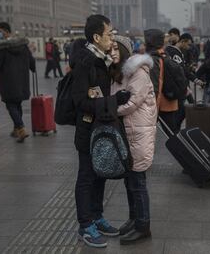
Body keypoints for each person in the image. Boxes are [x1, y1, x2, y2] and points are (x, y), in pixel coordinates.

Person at [71, 15, 131, 248]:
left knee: (99, 174)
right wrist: (114, 101)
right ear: (96, 37)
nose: (112, 38)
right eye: (109, 34)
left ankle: (97, 217)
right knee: (86, 176)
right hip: (88, 129)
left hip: (100, 127)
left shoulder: (101, 60)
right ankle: (85, 225)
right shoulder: (86, 62)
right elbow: (80, 101)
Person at [110, 35, 156, 244]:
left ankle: (143, 225)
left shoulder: (139, 73)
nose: (112, 53)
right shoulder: (118, 73)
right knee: (130, 180)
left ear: (125, 51)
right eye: (109, 50)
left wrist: (108, 111)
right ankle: (134, 219)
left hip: (139, 131)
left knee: (137, 181)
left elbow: (132, 103)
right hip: (127, 130)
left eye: (116, 50)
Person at [0, 22, 36, 143]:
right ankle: (17, 129)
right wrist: (32, 68)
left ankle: (21, 129)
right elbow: (32, 61)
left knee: (11, 105)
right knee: (17, 104)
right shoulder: (23, 45)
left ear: (5, 31)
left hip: (8, 82)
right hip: (22, 81)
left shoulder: (1, 48)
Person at [145, 28, 179, 134]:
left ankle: (181, 151)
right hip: (170, 101)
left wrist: (153, 107)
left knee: (171, 136)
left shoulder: (154, 59)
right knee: (173, 134)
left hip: (162, 103)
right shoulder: (164, 54)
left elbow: (156, 84)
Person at [165, 33, 202, 129]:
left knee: (183, 110)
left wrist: (195, 80)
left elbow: (183, 69)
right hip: (177, 88)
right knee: (181, 112)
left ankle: (175, 131)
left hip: (177, 88)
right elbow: (180, 71)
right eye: (188, 44)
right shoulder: (174, 52)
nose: (189, 47)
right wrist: (192, 81)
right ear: (182, 41)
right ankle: (175, 133)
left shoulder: (175, 52)